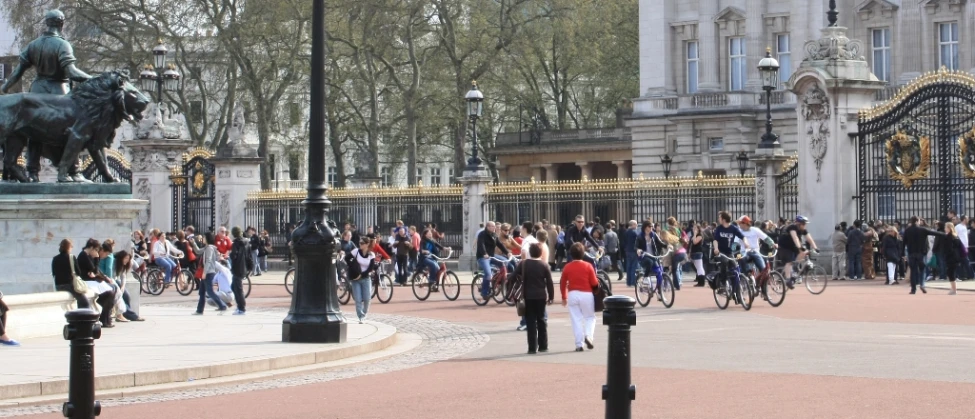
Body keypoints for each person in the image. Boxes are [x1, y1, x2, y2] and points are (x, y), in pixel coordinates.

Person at [560, 243, 599, 352]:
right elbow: (594, 282)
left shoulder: (567, 267)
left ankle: (579, 344)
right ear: (583, 254)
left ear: (571, 254)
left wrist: (564, 297)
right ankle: (589, 336)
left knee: (576, 319)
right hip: (586, 294)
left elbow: (563, 283)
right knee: (590, 317)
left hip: (572, 294)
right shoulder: (588, 266)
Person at [520, 243, 554, 354]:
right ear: (540, 253)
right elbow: (549, 283)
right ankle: (543, 345)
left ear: (530, 252)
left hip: (528, 296)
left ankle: (532, 347)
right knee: (541, 320)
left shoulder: (524, 264)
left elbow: (513, 276)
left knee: (530, 322)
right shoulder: (544, 265)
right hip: (541, 296)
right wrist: (551, 296)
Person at [76, 239, 117, 328]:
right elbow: (94, 269)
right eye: (96, 250)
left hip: (92, 280)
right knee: (109, 293)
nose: (97, 252)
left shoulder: (89, 255)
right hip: (87, 281)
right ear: (91, 248)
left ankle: (106, 317)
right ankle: (104, 318)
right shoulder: (83, 255)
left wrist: (95, 261)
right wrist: (97, 258)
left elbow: (94, 271)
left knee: (112, 290)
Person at [713, 212, 750, 304]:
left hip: (729, 253)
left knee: (736, 271)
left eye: (719, 217)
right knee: (724, 262)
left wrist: (745, 243)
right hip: (721, 252)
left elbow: (742, 236)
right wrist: (716, 248)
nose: (718, 219)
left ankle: (738, 296)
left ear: (724, 219)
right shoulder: (719, 229)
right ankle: (722, 283)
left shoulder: (733, 228)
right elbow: (715, 240)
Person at [903, 216, 945, 294]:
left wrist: (902, 253)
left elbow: (904, 242)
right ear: (916, 221)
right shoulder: (922, 229)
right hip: (920, 253)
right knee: (922, 269)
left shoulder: (907, 230)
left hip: (911, 253)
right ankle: (922, 284)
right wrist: (945, 234)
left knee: (913, 271)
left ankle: (913, 289)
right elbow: (935, 233)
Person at [777, 215, 818, 289]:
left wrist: (815, 248)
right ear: (799, 224)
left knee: (804, 252)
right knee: (789, 262)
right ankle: (788, 280)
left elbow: (809, 239)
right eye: (804, 224)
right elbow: (795, 238)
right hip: (784, 246)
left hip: (792, 246)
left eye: (805, 224)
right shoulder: (792, 227)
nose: (805, 225)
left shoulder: (803, 230)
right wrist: (800, 247)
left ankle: (795, 268)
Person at [345, 238, 379, 323]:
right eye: (359, 243)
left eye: (362, 243)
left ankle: (364, 313)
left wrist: (362, 274)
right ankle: (361, 316)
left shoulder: (371, 255)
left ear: (367, 244)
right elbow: (346, 258)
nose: (360, 245)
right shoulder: (356, 251)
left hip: (366, 278)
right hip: (355, 279)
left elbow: (370, 268)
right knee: (358, 299)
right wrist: (352, 267)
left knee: (367, 298)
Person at [195, 233, 228, 314]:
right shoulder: (207, 248)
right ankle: (199, 310)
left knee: (210, 292)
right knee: (202, 292)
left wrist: (204, 272)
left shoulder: (209, 248)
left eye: (204, 237)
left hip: (208, 273)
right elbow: (198, 251)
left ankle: (222, 306)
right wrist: (193, 243)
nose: (203, 239)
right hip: (207, 272)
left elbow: (208, 260)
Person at [476, 222, 510, 299]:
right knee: (488, 274)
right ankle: (484, 292)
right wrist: (484, 253)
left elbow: (500, 244)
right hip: (483, 257)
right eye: (492, 226)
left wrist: (507, 253)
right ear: (487, 227)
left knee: (505, 261)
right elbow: (481, 245)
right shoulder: (482, 234)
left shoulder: (494, 235)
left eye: (494, 226)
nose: (494, 228)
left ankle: (498, 281)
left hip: (492, 256)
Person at [112, 251, 144, 322]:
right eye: (125, 258)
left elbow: (123, 276)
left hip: (117, 281)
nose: (127, 260)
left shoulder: (123, 265)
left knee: (127, 296)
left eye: (128, 259)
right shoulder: (114, 262)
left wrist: (123, 286)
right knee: (121, 297)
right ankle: (132, 316)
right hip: (112, 281)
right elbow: (112, 276)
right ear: (121, 258)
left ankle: (126, 314)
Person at [229, 227, 252, 315]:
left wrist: (230, 254)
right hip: (244, 267)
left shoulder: (236, 243)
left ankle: (241, 308)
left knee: (238, 289)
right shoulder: (247, 243)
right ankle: (239, 306)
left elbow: (234, 256)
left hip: (237, 268)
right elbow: (249, 256)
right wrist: (250, 268)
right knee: (233, 287)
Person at [943, 222, 964, 295]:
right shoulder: (956, 236)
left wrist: (946, 254)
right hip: (956, 256)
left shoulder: (949, 237)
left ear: (949, 228)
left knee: (950, 273)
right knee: (951, 272)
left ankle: (954, 289)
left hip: (951, 257)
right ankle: (953, 288)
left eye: (945, 227)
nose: (944, 229)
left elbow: (949, 248)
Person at [689, 222, 707, 287]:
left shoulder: (699, 235)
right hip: (694, 252)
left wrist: (694, 234)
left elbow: (694, 242)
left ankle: (701, 281)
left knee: (699, 267)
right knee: (697, 267)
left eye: (695, 228)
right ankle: (700, 280)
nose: (693, 229)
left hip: (698, 252)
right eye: (693, 228)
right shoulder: (694, 235)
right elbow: (691, 244)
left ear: (698, 229)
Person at [622, 220, 640, 287]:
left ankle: (628, 282)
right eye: (636, 224)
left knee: (628, 267)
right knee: (633, 267)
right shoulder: (634, 233)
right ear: (632, 225)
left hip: (627, 251)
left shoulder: (626, 232)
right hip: (633, 251)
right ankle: (632, 282)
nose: (636, 226)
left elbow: (624, 242)